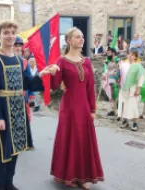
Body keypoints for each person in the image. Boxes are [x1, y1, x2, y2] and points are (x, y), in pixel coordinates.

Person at [0, 20, 50, 190]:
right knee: (0, 151)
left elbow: (27, 83)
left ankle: (8, 182)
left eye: (13, 32)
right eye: (6, 32)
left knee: (15, 147)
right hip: (2, 110)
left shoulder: (20, 60)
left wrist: (40, 75)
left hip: (18, 110)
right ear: (0, 35)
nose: (10, 35)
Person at [48, 27, 104, 189]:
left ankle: (84, 176)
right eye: (77, 37)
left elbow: (90, 87)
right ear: (69, 40)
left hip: (84, 107)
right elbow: (54, 86)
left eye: (82, 37)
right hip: (69, 107)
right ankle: (71, 175)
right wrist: (52, 73)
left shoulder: (86, 61)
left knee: (83, 140)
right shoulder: (61, 61)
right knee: (70, 140)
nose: (81, 39)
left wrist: (93, 109)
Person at [121, 49, 145, 131]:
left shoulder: (138, 66)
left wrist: (138, 89)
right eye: (129, 54)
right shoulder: (125, 65)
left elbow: (141, 77)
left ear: (135, 56)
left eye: (132, 55)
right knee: (125, 106)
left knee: (133, 106)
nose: (130, 56)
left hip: (133, 89)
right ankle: (125, 121)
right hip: (125, 89)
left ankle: (135, 123)